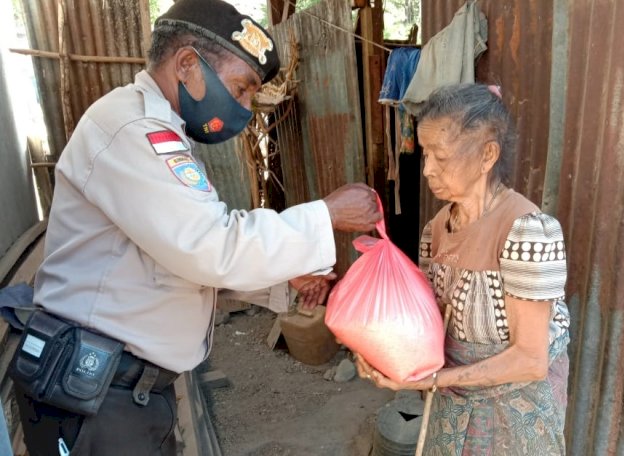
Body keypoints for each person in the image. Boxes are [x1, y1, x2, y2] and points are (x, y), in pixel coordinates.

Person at [12, 0, 380, 454]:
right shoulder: (133, 129)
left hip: (121, 389)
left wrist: (284, 279)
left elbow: (173, 263)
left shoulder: (162, 130)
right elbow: (211, 246)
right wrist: (327, 214)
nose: (245, 106)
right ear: (187, 63)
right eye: (241, 88)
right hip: (94, 396)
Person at [355, 83, 570, 454]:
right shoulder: (435, 230)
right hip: (450, 406)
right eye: (425, 154)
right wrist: (383, 354)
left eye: (442, 155)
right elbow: (430, 324)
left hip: (514, 415)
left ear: (487, 156)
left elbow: (531, 361)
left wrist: (432, 380)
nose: (427, 170)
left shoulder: (527, 231)